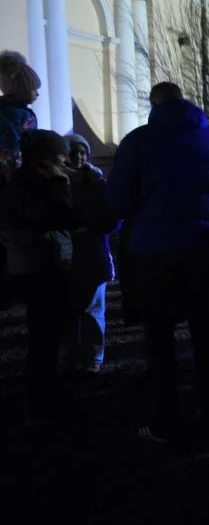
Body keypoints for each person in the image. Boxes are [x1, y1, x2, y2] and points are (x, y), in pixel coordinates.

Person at [105, 82, 209, 442]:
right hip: (202, 244)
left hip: (154, 251)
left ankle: (166, 418)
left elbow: (117, 199)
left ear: (154, 104)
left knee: (160, 335)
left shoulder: (138, 141)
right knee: (203, 328)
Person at [0, 130, 74, 421]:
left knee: (45, 332)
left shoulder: (20, 184)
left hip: (36, 263)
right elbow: (60, 217)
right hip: (39, 266)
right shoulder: (31, 187)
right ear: (44, 159)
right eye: (60, 155)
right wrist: (60, 186)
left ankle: (45, 389)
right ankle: (43, 396)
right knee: (44, 333)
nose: (65, 160)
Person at [60, 134, 118, 374]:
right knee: (68, 308)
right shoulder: (59, 181)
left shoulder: (95, 180)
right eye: (74, 153)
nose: (79, 157)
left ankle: (92, 355)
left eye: (83, 152)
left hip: (92, 250)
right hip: (72, 252)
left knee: (93, 306)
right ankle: (69, 356)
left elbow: (110, 214)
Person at [0, 51, 41, 185]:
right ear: (22, 88)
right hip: (16, 177)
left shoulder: (8, 110)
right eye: (34, 89)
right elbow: (12, 148)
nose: (37, 94)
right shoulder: (17, 115)